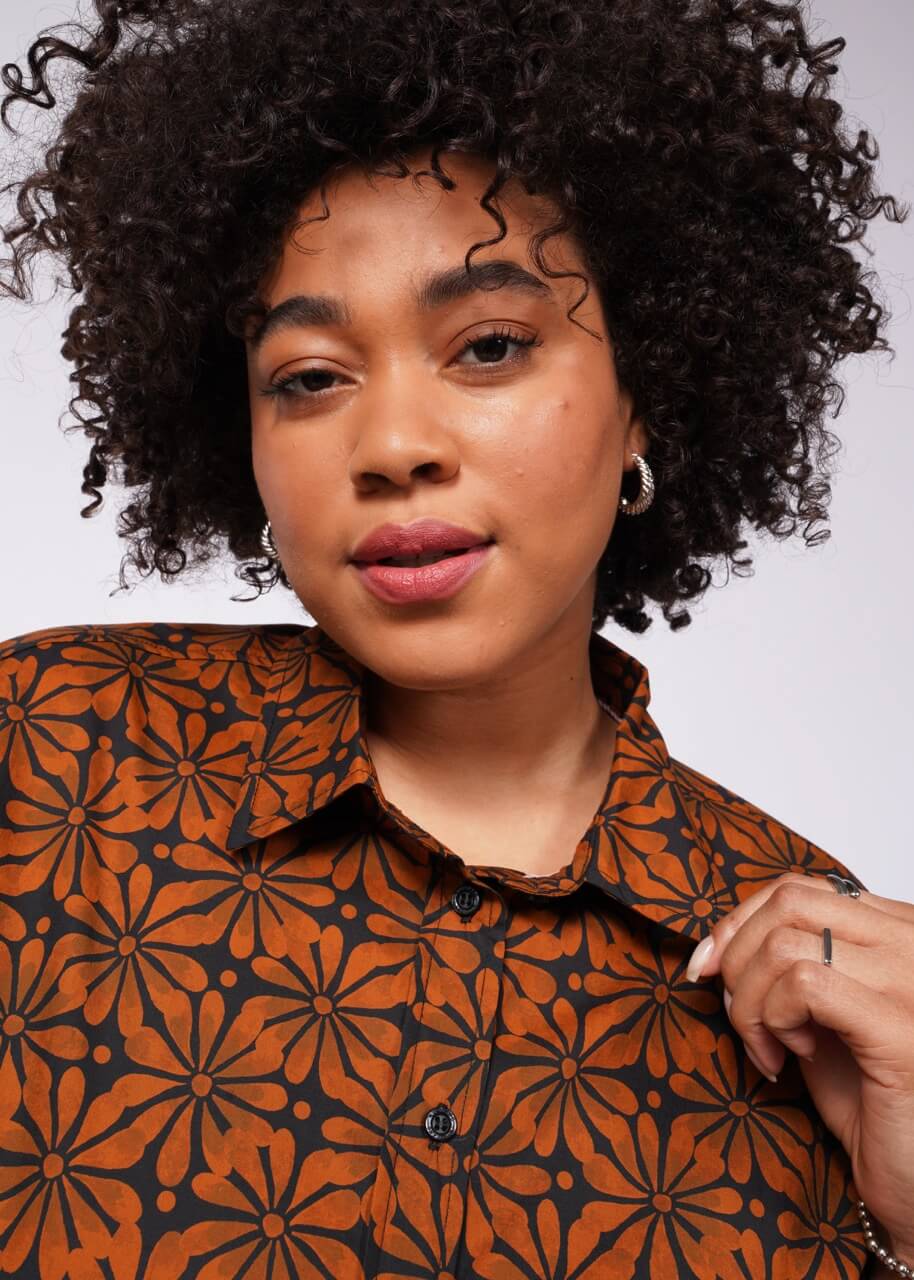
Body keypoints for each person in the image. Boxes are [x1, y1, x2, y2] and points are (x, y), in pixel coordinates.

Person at [1, 0, 912, 1277]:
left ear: (645, 388)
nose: (390, 447)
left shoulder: (837, 990)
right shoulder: (46, 758)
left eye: (487, 345)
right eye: (310, 376)